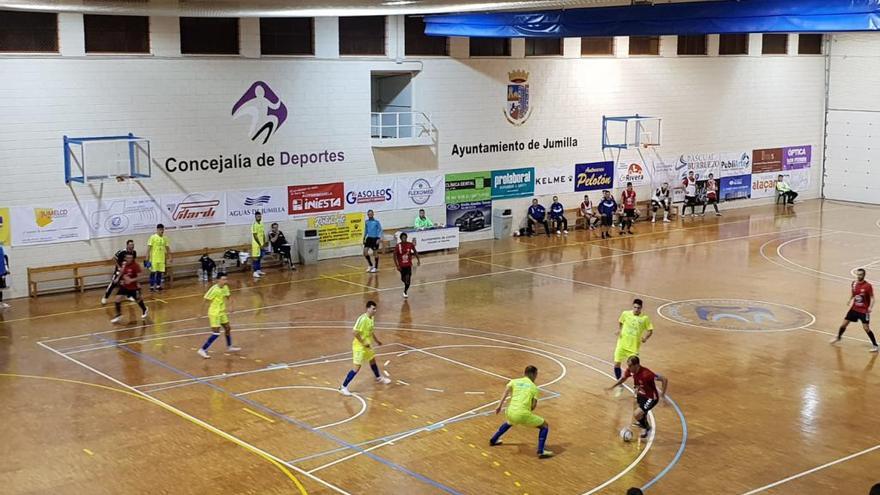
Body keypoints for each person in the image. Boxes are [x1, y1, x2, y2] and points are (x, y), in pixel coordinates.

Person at [488, 365, 554, 458]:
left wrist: (499, 406)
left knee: (510, 421)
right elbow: (533, 406)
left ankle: (494, 440)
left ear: (524, 373)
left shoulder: (514, 381)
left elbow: (505, 392)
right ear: (533, 374)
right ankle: (541, 451)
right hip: (522, 414)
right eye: (536, 374)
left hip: (509, 411)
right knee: (544, 425)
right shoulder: (534, 388)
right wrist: (526, 412)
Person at [607, 356, 668, 439]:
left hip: (651, 398)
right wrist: (612, 386)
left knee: (637, 415)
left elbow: (664, 379)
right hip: (641, 394)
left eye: (630, 366)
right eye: (628, 365)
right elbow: (623, 379)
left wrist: (662, 395)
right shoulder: (631, 371)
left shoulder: (647, 374)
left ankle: (646, 428)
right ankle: (642, 422)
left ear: (637, 365)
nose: (628, 368)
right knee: (639, 411)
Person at [339, 301, 392, 395]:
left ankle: (378, 377)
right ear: (368, 308)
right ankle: (343, 387)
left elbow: (371, 332)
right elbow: (354, 332)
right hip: (359, 347)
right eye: (373, 309)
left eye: (375, 309)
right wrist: (363, 342)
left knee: (372, 360)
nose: (375, 310)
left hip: (367, 345)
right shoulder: (362, 319)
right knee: (356, 368)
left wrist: (377, 341)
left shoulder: (372, 318)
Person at [830, 268, 879, 352]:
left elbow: (873, 298)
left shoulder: (868, 286)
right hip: (854, 309)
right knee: (843, 325)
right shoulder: (854, 283)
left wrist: (870, 307)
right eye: (858, 274)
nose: (858, 276)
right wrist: (849, 299)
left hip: (864, 311)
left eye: (860, 274)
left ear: (864, 275)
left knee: (866, 328)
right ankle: (838, 337)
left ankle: (875, 345)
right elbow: (853, 293)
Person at [197, 272, 241, 358]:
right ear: (218, 280)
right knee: (216, 333)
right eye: (223, 279)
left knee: (228, 328)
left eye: (226, 279)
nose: (225, 281)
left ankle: (229, 346)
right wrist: (200, 312)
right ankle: (202, 350)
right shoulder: (214, 289)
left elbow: (229, 297)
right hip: (214, 313)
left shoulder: (225, 287)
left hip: (222, 312)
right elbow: (205, 300)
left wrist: (231, 306)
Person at [613, 299, 654, 381]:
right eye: (635, 307)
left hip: (633, 348)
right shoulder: (625, 313)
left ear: (641, 308)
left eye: (638, 308)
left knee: (634, 368)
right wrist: (620, 330)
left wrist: (645, 338)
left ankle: (637, 385)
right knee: (617, 364)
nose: (636, 309)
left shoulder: (644, 318)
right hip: (622, 345)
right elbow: (621, 321)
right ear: (633, 306)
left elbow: (650, 330)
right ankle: (618, 381)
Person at [110, 253, 148, 324]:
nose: (128, 259)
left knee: (138, 300)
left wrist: (131, 280)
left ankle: (144, 309)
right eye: (127, 258)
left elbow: (140, 276)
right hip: (124, 286)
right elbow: (121, 271)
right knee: (117, 299)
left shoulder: (136, 266)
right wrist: (117, 278)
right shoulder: (124, 264)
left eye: (130, 258)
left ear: (132, 258)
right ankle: (118, 315)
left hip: (133, 287)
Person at [102, 239, 137, 304]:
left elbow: (133, 262)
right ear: (127, 245)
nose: (132, 246)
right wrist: (119, 267)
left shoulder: (134, 252)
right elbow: (114, 258)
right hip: (119, 271)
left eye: (133, 245)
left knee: (128, 284)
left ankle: (128, 296)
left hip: (127, 272)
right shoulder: (121, 252)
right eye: (130, 245)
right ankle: (105, 297)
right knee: (113, 284)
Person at [394, 232, 420, 298]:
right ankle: (405, 281)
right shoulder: (398, 246)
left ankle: (405, 291)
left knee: (408, 279)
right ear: (400, 239)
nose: (404, 239)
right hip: (401, 266)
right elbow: (394, 256)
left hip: (408, 265)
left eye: (405, 238)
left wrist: (418, 260)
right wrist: (397, 266)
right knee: (403, 279)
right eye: (403, 238)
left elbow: (415, 251)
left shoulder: (410, 244)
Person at [146, 224, 170, 291]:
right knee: (153, 273)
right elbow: (148, 248)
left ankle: (158, 286)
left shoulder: (165, 238)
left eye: (163, 229)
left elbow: (167, 248)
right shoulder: (152, 237)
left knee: (159, 273)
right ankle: (151, 286)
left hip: (161, 259)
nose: (162, 231)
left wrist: (170, 257)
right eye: (160, 229)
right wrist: (147, 258)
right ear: (157, 230)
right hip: (154, 259)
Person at [251, 211, 267, 279]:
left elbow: (263, 234)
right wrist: (259, 244)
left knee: (260, 257)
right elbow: (255, 235)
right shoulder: (254, 225)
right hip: (256, 244)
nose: (259, 217)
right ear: (255, 217)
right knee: (255, 258)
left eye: (260, 216)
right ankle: (254, 272)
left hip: (261, 244)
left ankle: (258, 270)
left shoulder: (262, 223)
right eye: (258, 216)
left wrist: (263, 242)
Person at [0, 243, 8, 309]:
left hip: (1, 272)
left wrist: (5, 271)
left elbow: (3, 260)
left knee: (0, 288)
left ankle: (0, 303)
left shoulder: (1, 249)